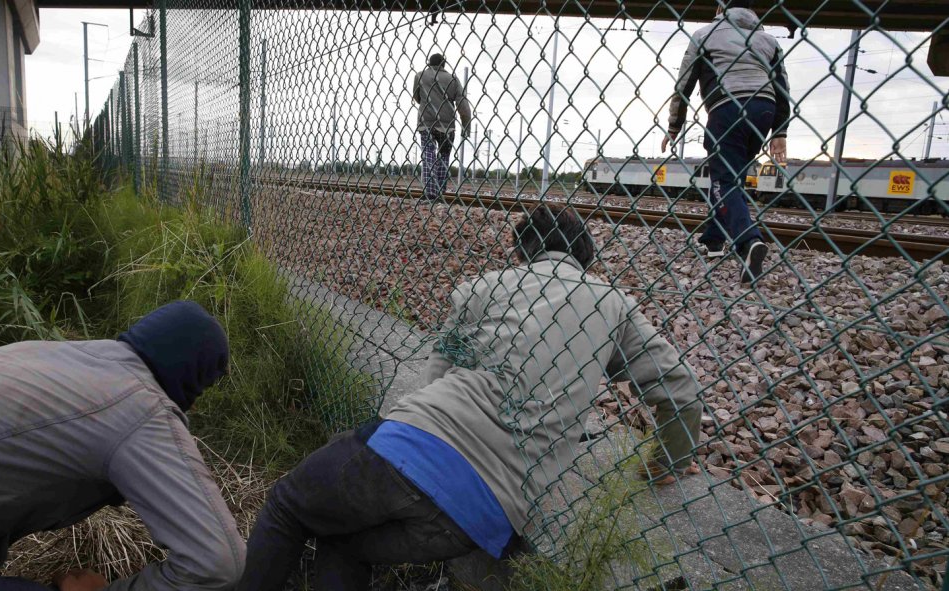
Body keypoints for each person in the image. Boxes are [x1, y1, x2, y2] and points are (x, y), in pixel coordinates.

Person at [237, 206, 702, 591]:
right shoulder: (611, 303)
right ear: (584, 258)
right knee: (346, 539)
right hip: (484, 518)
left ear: (522, 252)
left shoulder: (487, 287)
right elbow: (681, 393)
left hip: (413, 451)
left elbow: (433, 378)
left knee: (288, 504)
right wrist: (664, 466)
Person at [0, 301, 245, 591]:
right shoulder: (139, 407)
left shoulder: (64, 355)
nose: (194, 406)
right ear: (189, 377)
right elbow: (217, 564)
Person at [662, 0, 791, 285]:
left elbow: (684, 83)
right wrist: (780, 131)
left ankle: (749, 242)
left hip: (727, 108)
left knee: (723, 180)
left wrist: (674, 126)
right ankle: (714, 240)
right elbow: (782, 86)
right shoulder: (768, 40)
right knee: (733, 178)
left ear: (721, 9)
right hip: (764, 110)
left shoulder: (705, 34)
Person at [412, 53, 472, 200]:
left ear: (429, 63)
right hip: (448, 125)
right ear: (444, 64)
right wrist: (466, 127)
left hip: (426, 122)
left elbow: (417, 97)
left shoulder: (420, 76)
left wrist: (428, 98)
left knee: (428, 154)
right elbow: (463, 105)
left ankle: (431, 192)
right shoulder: (453, 79)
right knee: (444, 156)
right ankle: (440, 191)